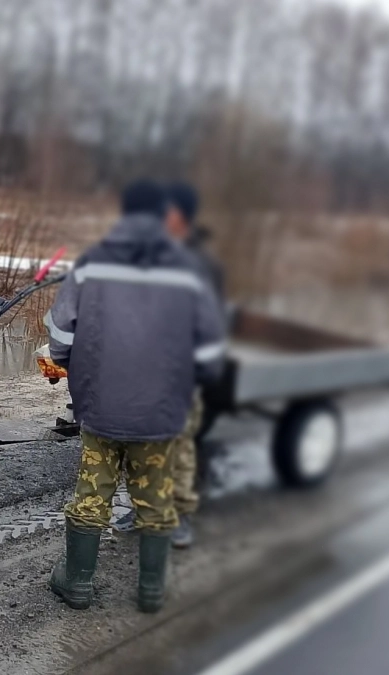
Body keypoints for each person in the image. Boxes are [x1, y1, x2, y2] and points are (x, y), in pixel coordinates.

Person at [45, 179, 226, 614]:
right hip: (161, 414)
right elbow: (209, 348)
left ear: (123, 213)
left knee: (92, 495)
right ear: (163, 213)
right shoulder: (186, 267)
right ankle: (150, 592)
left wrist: (73, 367)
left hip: (101, 409)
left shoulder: (92, 263)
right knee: (156, 498)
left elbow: (60, 332)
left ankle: (78, 586)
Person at [163, 182, 226, 549]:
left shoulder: (202, 264)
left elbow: (211, 323)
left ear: (181, 217)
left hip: (183, 369)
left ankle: (181, 515)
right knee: (147, 445)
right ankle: (146, 507)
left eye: (165, 213)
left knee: (182, 445)